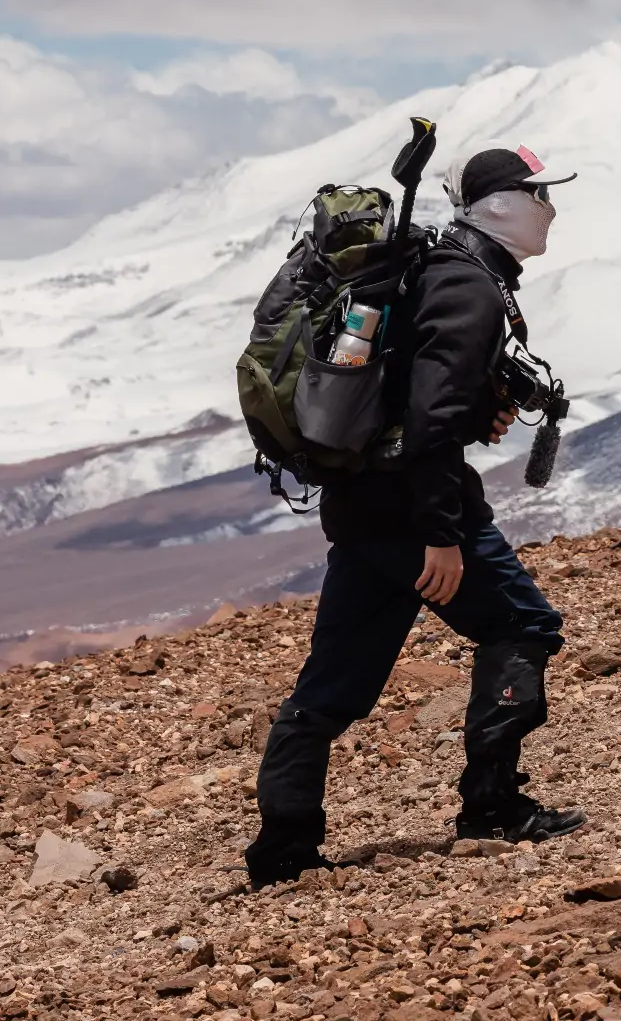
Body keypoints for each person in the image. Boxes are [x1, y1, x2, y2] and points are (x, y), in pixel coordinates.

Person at [245, 144, 586, 888]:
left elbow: (421, 403)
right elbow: (431, 421)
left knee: (330, 689)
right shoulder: (467, 285)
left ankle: (282, 852)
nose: (551, 210)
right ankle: (492, 807)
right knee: (524, 625)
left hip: (363, 510)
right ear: (501, 205)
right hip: (413, 511)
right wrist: (442, 533)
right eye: (541, 195)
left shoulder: (440, 271)